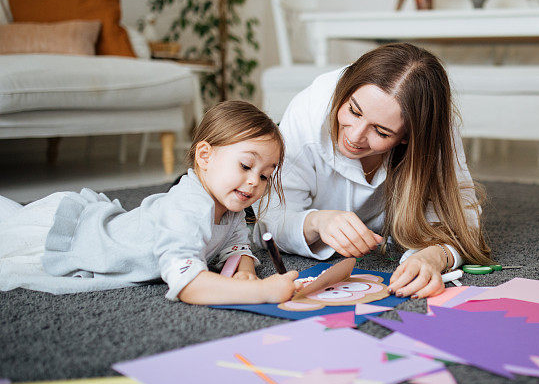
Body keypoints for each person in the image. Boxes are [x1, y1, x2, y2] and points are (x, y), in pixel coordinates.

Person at [254, 43, 492, 299]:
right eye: (354, 111)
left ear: (407, 138)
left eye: (381, 131)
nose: (354, 136)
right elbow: (269, 220)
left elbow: (463, 219)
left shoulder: (434, 130)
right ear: (345, 93)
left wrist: (435, 256)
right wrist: (316, 222)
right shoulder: (308, 112)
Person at [0, 101, 299, 304]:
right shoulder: (189, 206)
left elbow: (237, 245)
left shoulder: (231, 206)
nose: (254, 182)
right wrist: (260, 290)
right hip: (75, 236)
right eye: (246, 166)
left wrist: (244, 268)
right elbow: (188, 284)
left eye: (265, 176)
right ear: (205, 156)